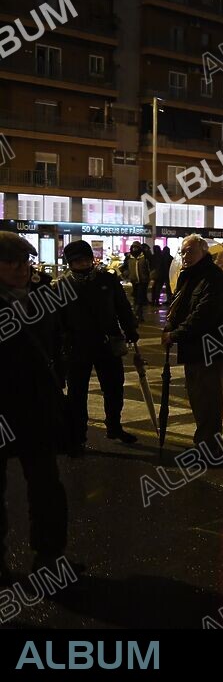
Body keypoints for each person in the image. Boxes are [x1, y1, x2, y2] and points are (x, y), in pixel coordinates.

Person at [0, 233, 70, 582]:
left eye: (24, 261)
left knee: (46, 485)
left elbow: (56, 345)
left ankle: (49, 556)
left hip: (36, 408)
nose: (20, 268)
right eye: (10, 261)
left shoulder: (43, 298)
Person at [58, 240, 140, 450]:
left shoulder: (107, 280)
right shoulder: (61, 285)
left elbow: (122, 307)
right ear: (70, 263)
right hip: (77, 346)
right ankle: (78, 436)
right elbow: (56, 321)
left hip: (107, 343)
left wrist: (130, 329)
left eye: (86, 259)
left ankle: (114, 425)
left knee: (114, 388)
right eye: (77, 261)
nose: (83, 264)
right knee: (77, 394)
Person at [161, 235, 223, 459]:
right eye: (183, 251)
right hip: (194, 349)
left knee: (209, 400)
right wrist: (171, 324)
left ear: (204, 253)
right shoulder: (190, 277)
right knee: (197, 398)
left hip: (210, 349)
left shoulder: (214, 279)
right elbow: (183, 308)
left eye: (190, 251)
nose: (185, 256)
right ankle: (203, 441)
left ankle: (211, 448)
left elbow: (203, 315)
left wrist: (175, 334)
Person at [120, 241, 150, 323]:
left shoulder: (144, 257)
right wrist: (124, 274)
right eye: (133, 247)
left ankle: (137, 315)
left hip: (143, 281)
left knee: (140, 298)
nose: (135, 249)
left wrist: (150, 278)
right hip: (134, 281)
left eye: (136, 247)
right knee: (136, 298)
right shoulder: (129, 257)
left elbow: (149, 268)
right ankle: (139, 315)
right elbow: (123, 267)